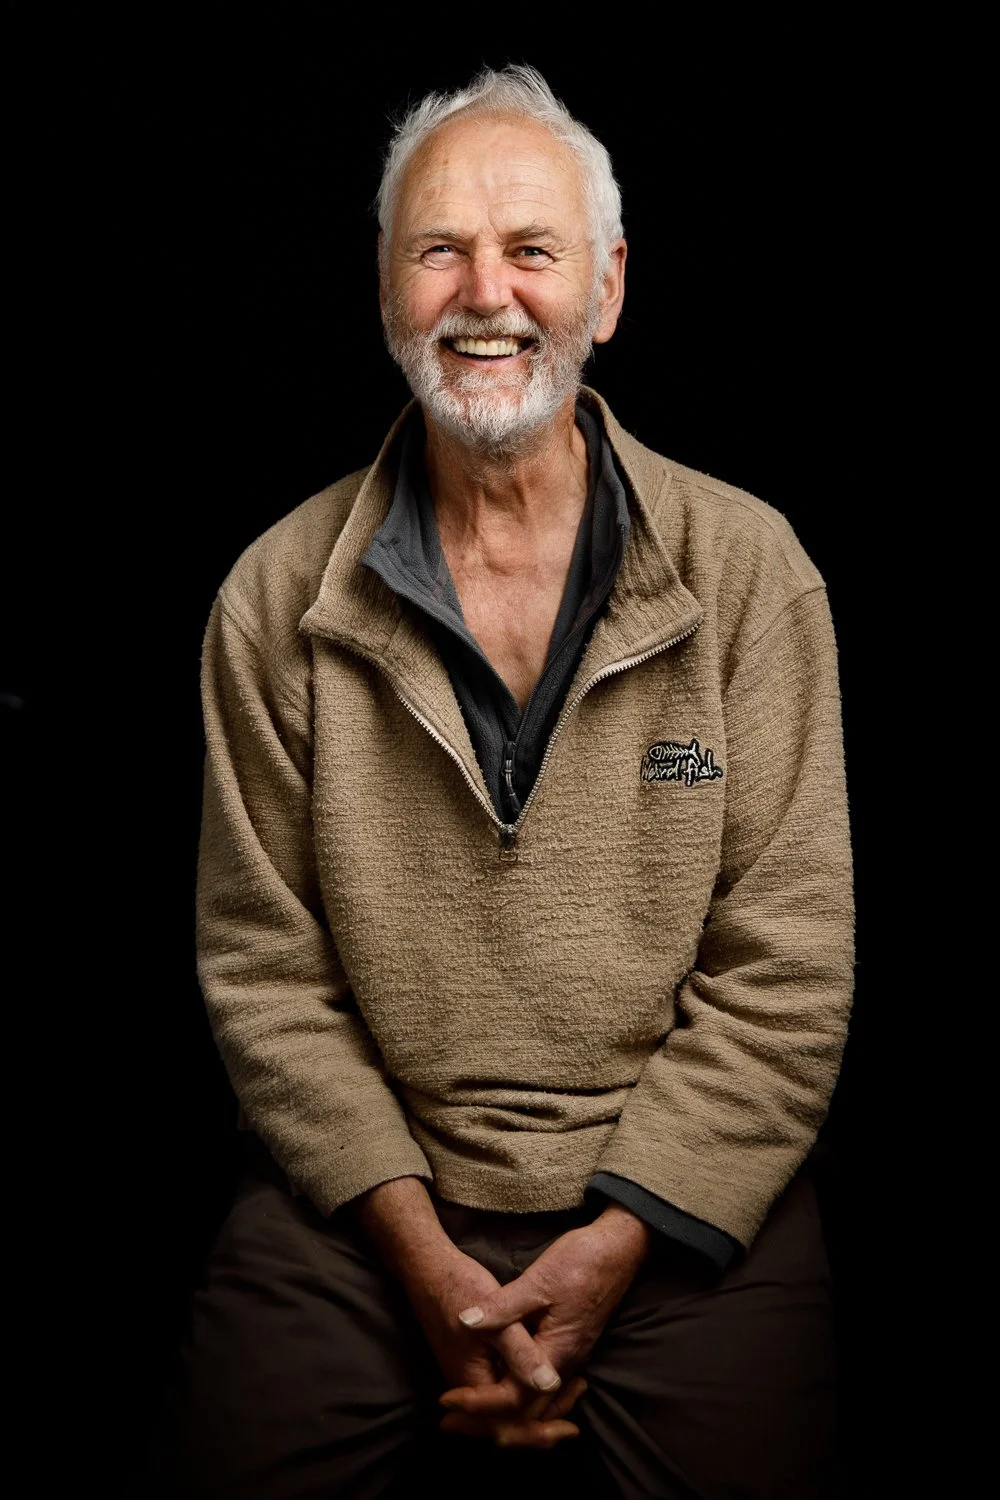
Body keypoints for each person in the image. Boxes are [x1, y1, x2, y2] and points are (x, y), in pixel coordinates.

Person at [152, 64, 854, 1500]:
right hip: (357, 1215)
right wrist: (423, 1263)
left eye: (531, 250)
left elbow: (787, 968)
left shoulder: (751, 574)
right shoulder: (274, 596)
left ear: (604, 289)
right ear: (387, 288)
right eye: (440, 250)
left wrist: (617, 1242)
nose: (487, 294)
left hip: (676, 1205)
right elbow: (263, 975)